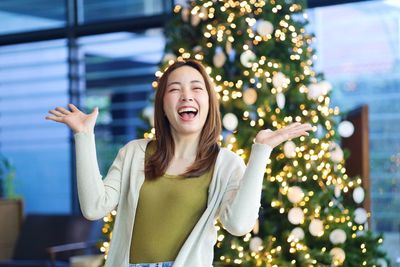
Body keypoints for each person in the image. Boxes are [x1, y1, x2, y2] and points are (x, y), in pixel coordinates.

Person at [45, 59, 312, 267]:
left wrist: (261, 151)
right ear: (162, 105)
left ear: (208, 102)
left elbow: (239, 225)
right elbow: (93, 207)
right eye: (175, 89)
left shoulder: (226, 164)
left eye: (197, 88)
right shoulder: (134, 153)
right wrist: (84, 135)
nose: (186, 96)